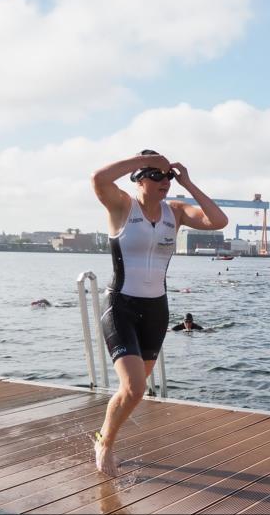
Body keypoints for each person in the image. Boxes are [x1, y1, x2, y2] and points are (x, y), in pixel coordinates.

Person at [91, 149, 227, 475]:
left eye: (167, 176)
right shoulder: (122, 205)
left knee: (133, 392)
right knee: (135, 388)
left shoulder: (175, 212)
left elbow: (218, 221)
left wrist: (188, 183)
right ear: (138, 178)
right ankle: (106, 445)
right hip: (121, 305)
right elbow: (98, 178)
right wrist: (141, 159)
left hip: (156, 310)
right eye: (155, 175)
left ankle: (103, 437)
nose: (163, 181)